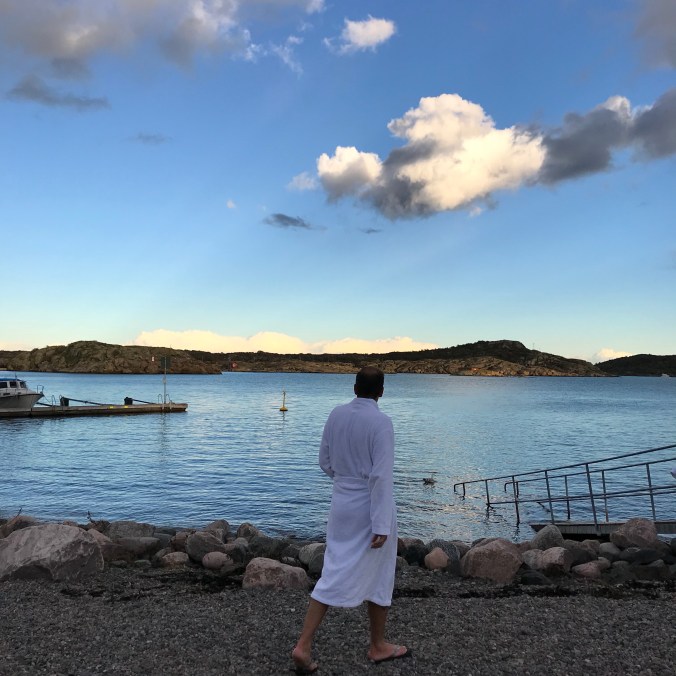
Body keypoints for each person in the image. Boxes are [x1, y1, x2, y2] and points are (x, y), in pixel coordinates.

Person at [291, 366, 411, 674]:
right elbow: (380, 476)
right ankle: (377, 645)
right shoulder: (381, 422)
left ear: (354, 387)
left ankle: (305, 643)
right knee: (381, 572)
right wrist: (381, 523)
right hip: (369, 507)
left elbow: (324, 461)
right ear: (381, 392)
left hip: (341, 502)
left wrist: (345, 482)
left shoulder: (336, 414)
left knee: (333, 569)